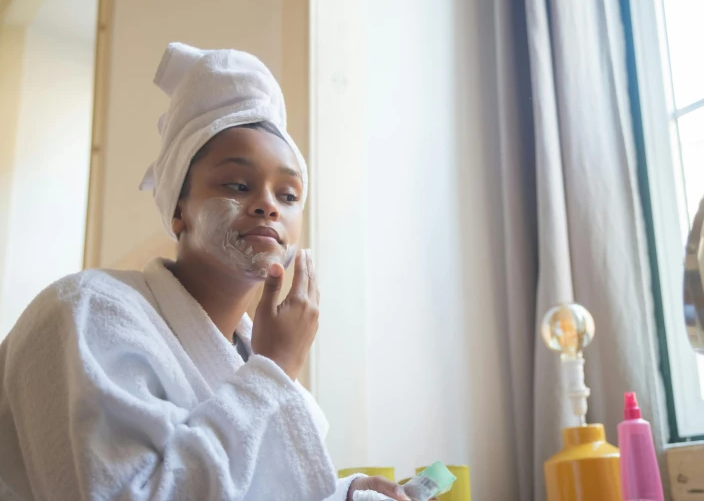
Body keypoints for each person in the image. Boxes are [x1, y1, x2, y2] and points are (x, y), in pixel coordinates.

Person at [0, 43, 412, 501]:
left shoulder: (246, 361)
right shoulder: (86, 310)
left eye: (289, 195)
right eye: (238, 184)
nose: (268, 205)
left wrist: (343, 495)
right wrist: (273, 370)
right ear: (179, 210)